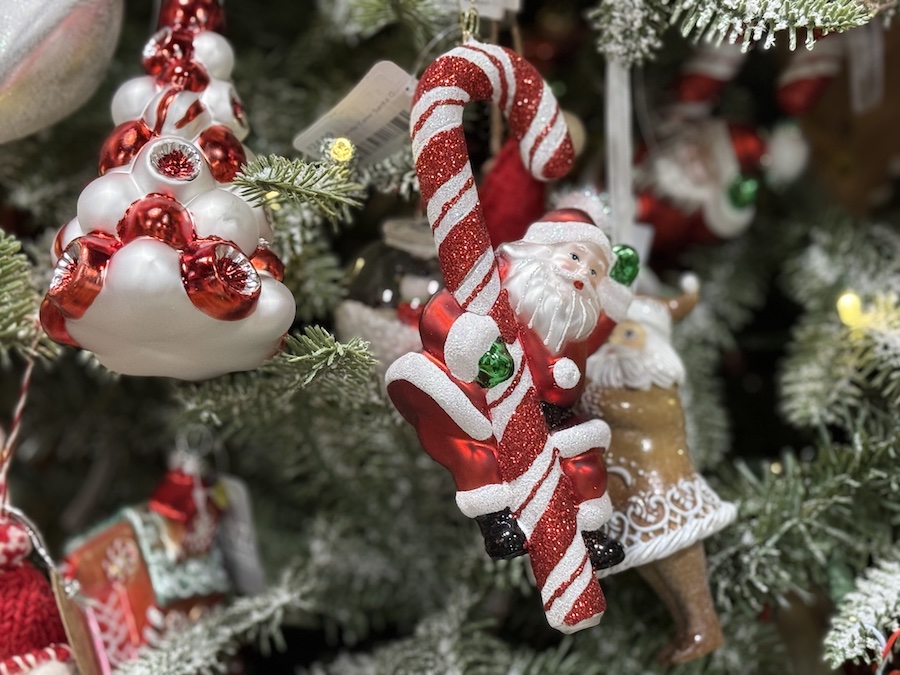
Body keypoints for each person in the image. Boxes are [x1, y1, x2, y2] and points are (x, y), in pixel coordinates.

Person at [387, 207, 633, 571]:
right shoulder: (497, 284)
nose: (582, 273)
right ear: (541, 250)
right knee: (474, 447)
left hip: (553, 415)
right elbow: (442, 311)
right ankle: (496, 519)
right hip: (487, 401)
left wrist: (616, 297)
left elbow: (591, 336)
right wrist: (474, 347)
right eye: (575, 257)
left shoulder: (573, 317)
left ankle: (590, 535)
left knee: (585, 460)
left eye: (594, 271)